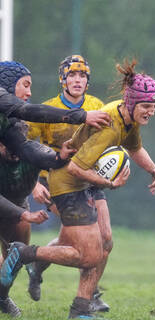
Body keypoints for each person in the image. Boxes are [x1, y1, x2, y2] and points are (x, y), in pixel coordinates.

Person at [1, 59, 155, 319]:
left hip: (85, 178)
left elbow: (133, 147)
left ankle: (82, 307)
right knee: (88, 254)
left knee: (100, 245)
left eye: (154, 106)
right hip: (68, 181)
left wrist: (153, 169)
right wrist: (37, 183)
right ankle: (26, 256)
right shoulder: (103, 125)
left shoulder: (116, 113)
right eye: (146, 106)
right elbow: (52, 153)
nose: (151, 111)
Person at [0, 61, 95, 317]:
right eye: (26, 85)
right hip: (13, 207)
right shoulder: (3, 99)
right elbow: (31, 111)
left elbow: (27, 148)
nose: (30, 92)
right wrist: (81, 116)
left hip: (17, 203)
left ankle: (2, 297)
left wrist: (58, 157)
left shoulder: (9, 125)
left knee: (15, 256)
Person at [27, 55, 110, 312]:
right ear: (62, 79)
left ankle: (88, 292)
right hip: (55, 181)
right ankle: (84, 297)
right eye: (72, 75)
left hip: (88, 180)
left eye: (83, 75)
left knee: (105, 239)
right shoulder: (47, 110)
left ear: (88, 81)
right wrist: (34, 185)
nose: (77, 80)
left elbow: (109, 141)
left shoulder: (98, 105)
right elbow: (27, 150)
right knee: (83, 243)